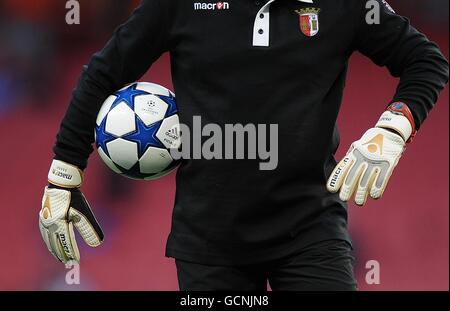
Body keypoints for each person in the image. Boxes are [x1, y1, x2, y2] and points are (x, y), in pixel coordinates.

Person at [38, 0, 448, 291]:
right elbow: (102, 72)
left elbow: (426, 60)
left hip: (311, 231)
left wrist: (393, 128)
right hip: (210, 244)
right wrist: (64, 172)